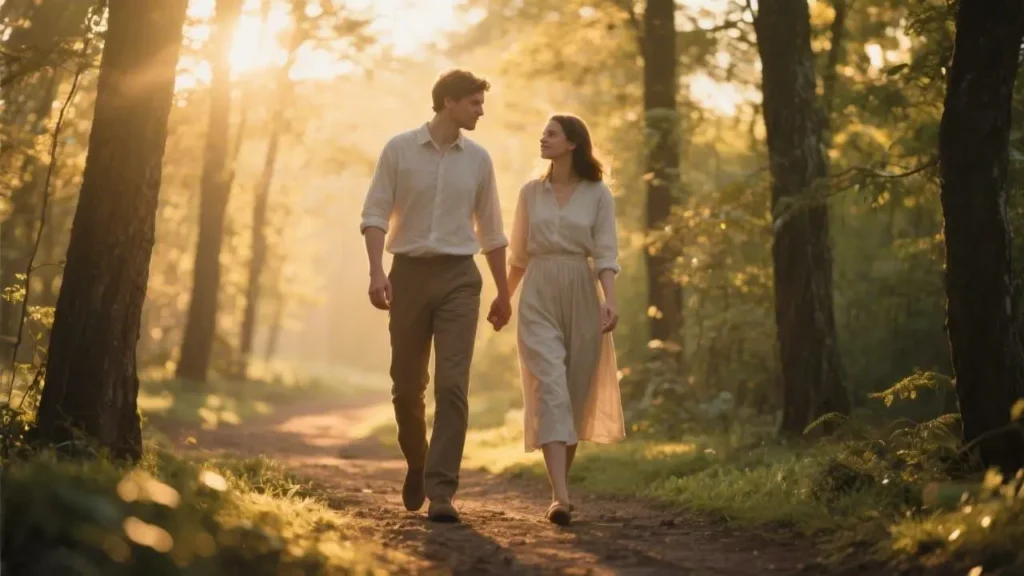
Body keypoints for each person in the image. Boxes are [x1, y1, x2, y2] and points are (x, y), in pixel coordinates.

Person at [360, 69, 511, 523]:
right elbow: (374, 214)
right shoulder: (399, 149)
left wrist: (504, 292)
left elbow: (493, 230)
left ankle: (442, 490)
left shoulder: (479, 160)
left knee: (452, 385)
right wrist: (375, 272)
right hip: (406, 274)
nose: (481, 110)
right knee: (407, 387)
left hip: (460, 279)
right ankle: (419, 462)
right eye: (474, 103)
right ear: (448, 102)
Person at [490, 114, 626, 526]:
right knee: (550, 386)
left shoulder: (598, 193)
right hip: (539, 291)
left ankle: (560, 489)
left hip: (582, 292)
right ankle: (559, 497)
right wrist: (504, 297)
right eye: (543, 133)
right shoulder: (531, 192)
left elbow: (605, 252)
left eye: (551, 133)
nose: (542, 138)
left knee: (572, 392)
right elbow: (518, 255)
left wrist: (610, 299)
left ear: (572, 143)